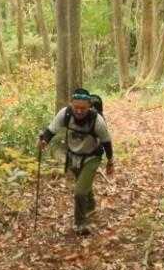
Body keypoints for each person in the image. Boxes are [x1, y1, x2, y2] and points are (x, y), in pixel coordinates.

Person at [38, 88, 114, 234]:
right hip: (73, 156)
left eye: (83, 108)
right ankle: (90, 206)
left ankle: (80, 223)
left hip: (92, 157)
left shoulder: (97, 121)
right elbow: (51, 130)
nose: (79, 111)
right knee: (83, 184)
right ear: (71, 104)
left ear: (89, 106)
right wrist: (44, 141)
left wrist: (110, 162)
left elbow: (106, 142)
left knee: (79, 192)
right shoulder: (65, 114)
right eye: (76, 107)